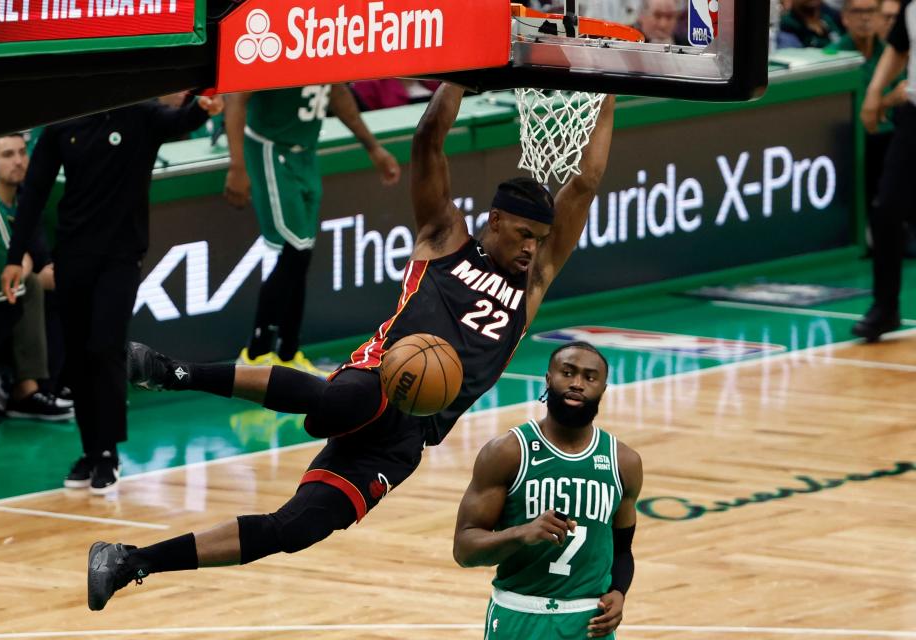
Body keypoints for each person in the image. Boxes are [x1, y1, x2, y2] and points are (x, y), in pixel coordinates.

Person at [84, 85, 617, 612]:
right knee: (340, 402)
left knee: (297, 529)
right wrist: (457, 78)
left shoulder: (534, 282)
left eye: (539, 239)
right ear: (495, 220)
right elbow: (428, 138)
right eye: (523, 234)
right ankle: (173, 371)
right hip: (380, 378)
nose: (531, 248)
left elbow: (586, 183)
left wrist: (606, 89)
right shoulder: (445, 237)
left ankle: (130, 561)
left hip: (409, 435)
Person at [1, 94, 224, 494]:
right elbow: (34, 190)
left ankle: (108, 454)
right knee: (80, 353)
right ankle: (91, 451)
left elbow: (178, 120)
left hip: (121, 256)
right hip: (72, 253)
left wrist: (202, 107)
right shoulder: (63, 119)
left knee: (105, 347)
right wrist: (16, 255)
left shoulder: (140, 115)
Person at [454, 342, 641, 640]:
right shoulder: (507, 452)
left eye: (590, 377)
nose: (577, 384)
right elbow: (464, 550)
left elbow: (622, 549)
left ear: (603, 389)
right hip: (519, 615)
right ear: (548, 379)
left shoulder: (624, 462)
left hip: (590, 621)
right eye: (568, 372)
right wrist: (521, 533)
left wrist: (619, 591)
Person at [225, 85, 400, 373]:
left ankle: (287, 354)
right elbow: (236, 96)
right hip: (272, 148)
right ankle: (255, 356)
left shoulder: (324, 47)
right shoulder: (275, 44)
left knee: (300, 255)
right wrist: (237, 164)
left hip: (306, 152)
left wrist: (373, 147)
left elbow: (338, 93)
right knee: (295, 254)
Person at [0, 134, 72, 422]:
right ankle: (28, 388)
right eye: (8, 155)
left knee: (65, 283)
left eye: (22, 152)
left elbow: (41, 258)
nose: (19, 161)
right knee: (32, 284)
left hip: (21, 290)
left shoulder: (26, 202)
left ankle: (56, 383)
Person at [825, 0, 909, 257]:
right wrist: (886, 100)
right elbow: (857, 110)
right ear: (844, 18)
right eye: (857, 12)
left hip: (889, 133)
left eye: (870, 12)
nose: (864, 19)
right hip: (851, 137)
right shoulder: (833, 56)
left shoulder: (890, 53)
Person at [854, 0, 915, 340]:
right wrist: (875, 92)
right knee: (887, 210)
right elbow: (899, 47)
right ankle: (885, 307)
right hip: (913, 118)